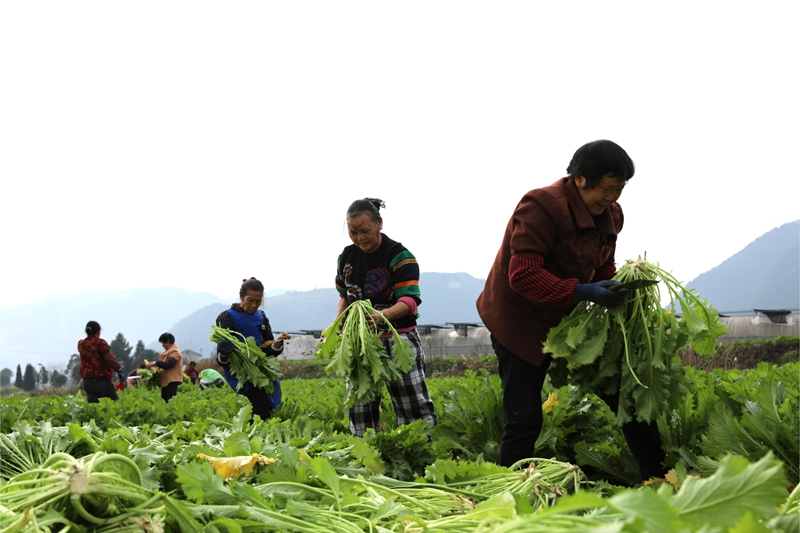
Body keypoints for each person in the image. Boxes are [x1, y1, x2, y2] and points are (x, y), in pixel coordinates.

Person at [476, 140, 665, 480]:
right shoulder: (540, 207)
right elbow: (524, 275)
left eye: (619, 190)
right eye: (606, 189)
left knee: (625, 393)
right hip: (519, 321)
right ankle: (506, 491)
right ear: (580, 179)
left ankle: (659, 475)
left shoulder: (612, 214)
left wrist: (612, 285)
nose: (612, 199)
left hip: (570, 319)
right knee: (525, 415)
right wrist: (582, 291)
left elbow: (601, 262)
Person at [334, 198, 438, 437]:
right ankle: (367, 458)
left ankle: (423, 454)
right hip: (361, 343)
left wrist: (382, 316)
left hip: (397, 339)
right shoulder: (346, 258)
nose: (360, 237)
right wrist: (337, 323)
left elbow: (410, 301)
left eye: (365, 231)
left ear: (379, 223)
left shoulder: (399, 256)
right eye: (353, 232)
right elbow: (344, 296)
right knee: (360, 407)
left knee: (412, 404)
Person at [215, 277, 290, 420]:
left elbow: (266, 348)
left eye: (258, 301)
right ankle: (249, 434)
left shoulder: (261, 317)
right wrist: (224, 354)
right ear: (241, 296)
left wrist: (277, 344)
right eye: (250, 300)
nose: (254, 305)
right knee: (261, 404)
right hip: (241, 371)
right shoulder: (226, 317)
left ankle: (260, 434)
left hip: (262, 369)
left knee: (270, 406)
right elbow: (222, 358)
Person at [78, 321, 122, 403]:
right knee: (114, 404)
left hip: (87, 382)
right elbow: (109, 358)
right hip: (102, 381)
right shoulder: (100, 343)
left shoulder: (81, 344)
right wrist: (118, 369)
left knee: (94, 407)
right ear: (98, 332)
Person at [145, 333, 183, 402]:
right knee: (164, 400)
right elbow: (162, 366)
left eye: (163, 342)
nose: (162, 345)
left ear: (168, 341)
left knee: (171, 401)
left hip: (172, 380)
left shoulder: (175, 351)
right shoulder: (165, 352)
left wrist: (155, 363)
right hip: (165, 380)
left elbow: (168, 364)